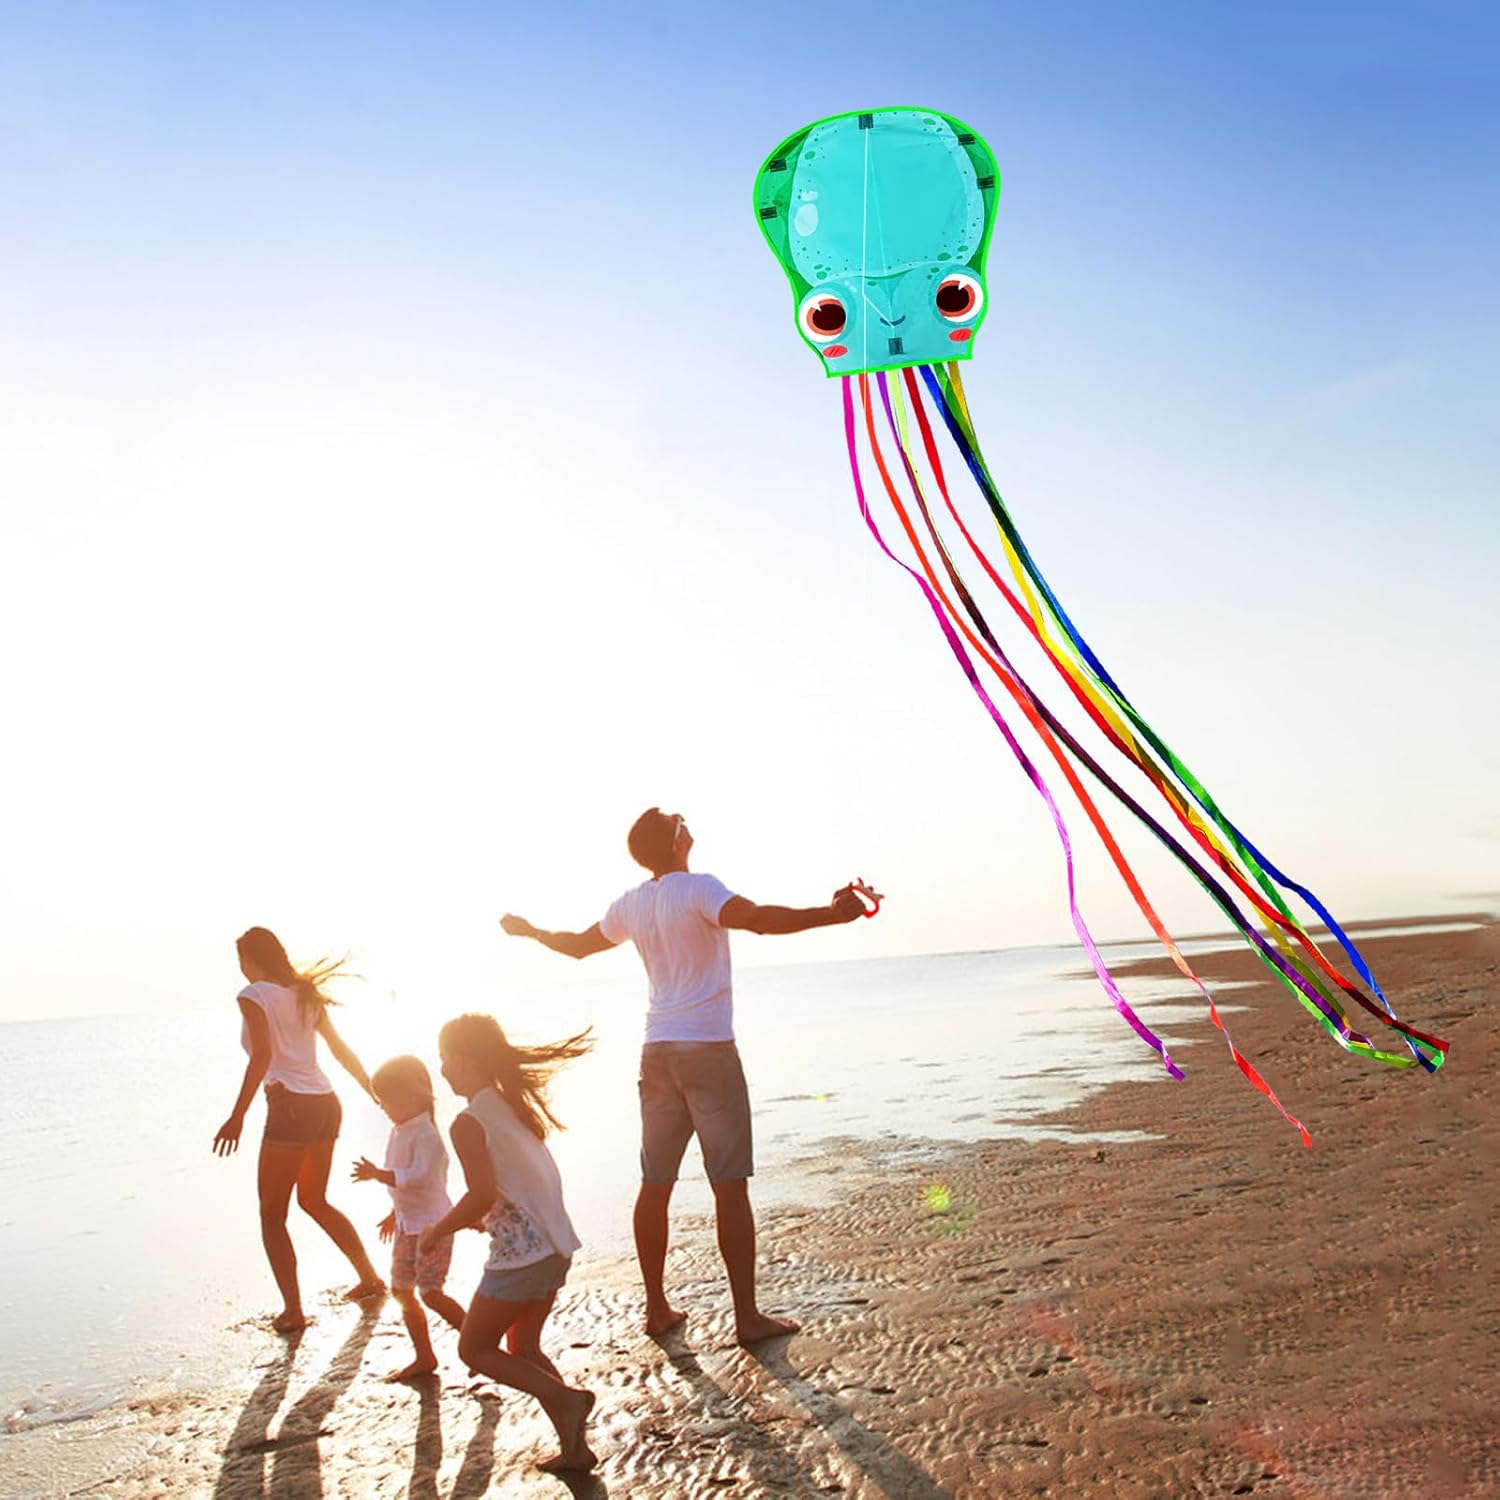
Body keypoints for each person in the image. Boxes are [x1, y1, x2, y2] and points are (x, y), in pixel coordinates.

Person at [500, 806, 875, 1344]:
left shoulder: (632, 903)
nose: (684, 820)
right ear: (677, 842)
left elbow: (580, 947)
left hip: (657, 1053)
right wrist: (832, 915)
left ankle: (657, 1308)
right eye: (678, 820)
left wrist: (532, 932)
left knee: (655, 1185)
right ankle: (746, 1317)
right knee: (729, 1187)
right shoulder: (700, 889)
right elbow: (759, 919)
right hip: (707, 1052)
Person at [419, 1012, 597, 1474]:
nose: (442, 1069)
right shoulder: (509, 1106)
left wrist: (438, 1229)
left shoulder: (468, 1121)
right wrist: (489, 1218)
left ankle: (568, 1399)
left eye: (445, 1058)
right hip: (554, 1246)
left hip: (523, 1257)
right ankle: (576, 1450)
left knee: (474, 1349)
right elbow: (515, 1184)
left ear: (466, 1059)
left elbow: (479, 1193)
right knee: (525, 1351)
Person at [213, 926, 385, 1333]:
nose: (241, 968)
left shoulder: (253, 995)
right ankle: (370, 1278)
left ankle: (293, 1311)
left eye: (241, 959)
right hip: (326, 1103)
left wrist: (237, 1116)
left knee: (272, 1215)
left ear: (250, 958)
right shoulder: (305, 993)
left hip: (291, 1106)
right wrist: (372, 1088)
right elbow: (338, 1048)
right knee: (314, 1199)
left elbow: (262, 1056)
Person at [351, 1055, 468, 1381]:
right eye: (381, 1101)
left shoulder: (426, 1134)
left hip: (433, 1226)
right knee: (401, 1290)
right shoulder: (399, 1131)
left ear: (414, 1094)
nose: (384, 1107)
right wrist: (394, 1212)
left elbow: (420, 1178)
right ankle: (424, 1356)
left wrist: (378, 1174)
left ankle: (477, 1341)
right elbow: (403, 1183)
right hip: (407, 1225)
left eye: (389, 1100)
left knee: (431, 1292)